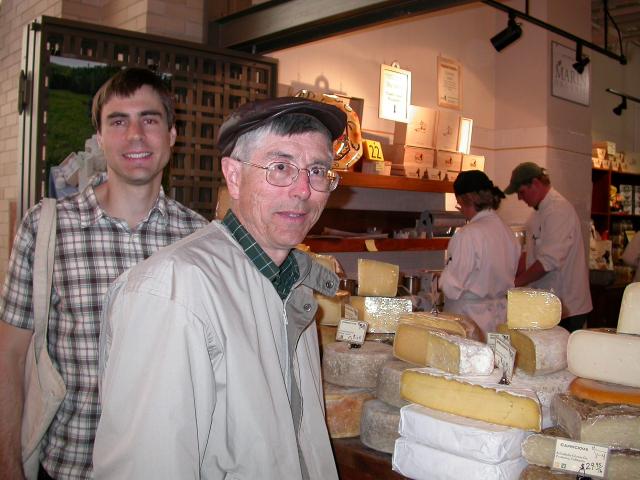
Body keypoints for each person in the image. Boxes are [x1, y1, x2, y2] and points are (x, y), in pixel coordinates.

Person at [92, 97, 347, 479]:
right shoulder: (172, 292)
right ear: (233, 176)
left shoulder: (292, 285)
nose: (302, 190)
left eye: (317, 170)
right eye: (280, 167)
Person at [0, 67, 208, 480]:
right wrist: (7, 467)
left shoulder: (201, 240)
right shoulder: (46, 229)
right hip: (69, 465)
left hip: (170, 466)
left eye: (149, 119)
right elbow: (9, 355)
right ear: (98, 138)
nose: (135, 135)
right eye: (118, 121)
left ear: (171, 136)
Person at [505, 161, 592, 332]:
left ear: (535, 184)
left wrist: (515, 284)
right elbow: (529, 253)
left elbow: (547, 262)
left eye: (521, 192)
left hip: (567, 307)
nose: (519, 198)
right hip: (548, 304)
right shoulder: (538, 213)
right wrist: (508, 278)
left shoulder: (558, 211)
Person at [438, 170, 520, 338]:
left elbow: (451, 287)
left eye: (459, 204)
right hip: (500, 320)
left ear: (465, 200)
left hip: (469, 322)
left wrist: (438, 282)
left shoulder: (467, 235)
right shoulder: (507, 233)